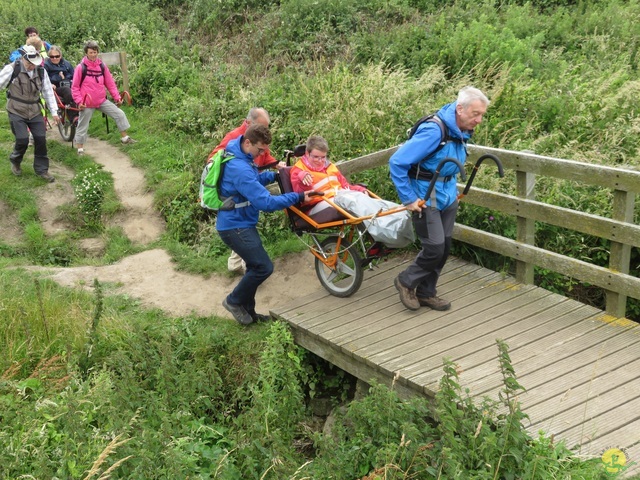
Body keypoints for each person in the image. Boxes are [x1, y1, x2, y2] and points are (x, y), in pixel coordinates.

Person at [389, 86, 489, 311]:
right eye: (476, 114)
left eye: (482, 115)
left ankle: (426, 292)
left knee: (444, 247)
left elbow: (446, 163)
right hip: (425, 197)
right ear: (460, 109)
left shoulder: (461, 130)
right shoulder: (434, 131)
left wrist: (452, 189)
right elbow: (397, 163)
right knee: (434, 247)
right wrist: (409, 199)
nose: (479, 120)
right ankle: (406, 281)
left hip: (447, 195)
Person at [216, 124, 315, 325]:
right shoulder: (239, 167)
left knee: (254, 266)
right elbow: (265, 203)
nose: (262, 154)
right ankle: (233, 301)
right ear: (247, 142)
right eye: (260, 150)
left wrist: (276, 174)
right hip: (235, 226)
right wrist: (298, 197)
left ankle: (250, 313)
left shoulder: (241, 155)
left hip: (240, 221)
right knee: (263, 267)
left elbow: (253, 180)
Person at [291, 135, 414, 249]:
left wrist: (359, 189)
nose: (320, 161)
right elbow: (300, 196)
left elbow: (345, 186)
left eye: (323, 157)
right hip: (315, 204)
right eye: (316, 157)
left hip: (338, 196)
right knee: (349, 200)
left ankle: (399, 216)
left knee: (362, 197)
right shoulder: (299, 170)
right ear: (307, 153)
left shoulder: (330, 166)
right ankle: (385, 232)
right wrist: (301, 179)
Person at [208, 107, 285, 273]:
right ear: (249, 123)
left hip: (250, 182)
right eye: (262, 126)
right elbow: (214, 159)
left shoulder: (256, 136)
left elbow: (265, 155)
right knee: (243, 226)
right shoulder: (235, 137)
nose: (265, 130)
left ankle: (235, 264)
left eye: (267, 126)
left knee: (244, 225)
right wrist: (237, 176)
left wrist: (275, 164)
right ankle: (249, 268)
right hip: (240, 188)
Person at [0, 45, 59, 182]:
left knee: (40, 138)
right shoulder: (12, 69)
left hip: (34, 110)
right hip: (16, 109)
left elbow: (48, 92)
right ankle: (15, 160)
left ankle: (42, 170)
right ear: (23, 59)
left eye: (34, 63)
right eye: (29, 63)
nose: (32, 66)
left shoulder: (42, 72)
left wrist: (54, 112)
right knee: (22, 139)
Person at [71, 40, 135, 156]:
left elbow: (110, 83)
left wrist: (116, 97)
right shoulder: (81, 68)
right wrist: (79, 102)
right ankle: (80, 149)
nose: (93, 55)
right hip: (87, 103)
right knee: (82, 125)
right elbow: (75, 87)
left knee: (119, 114)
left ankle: (125, 138)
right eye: (91, 52)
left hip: (101, 100)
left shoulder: (102, 66)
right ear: (86, 53)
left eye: (95, 52)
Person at [43, 45, 77, 122]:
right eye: (52, 57)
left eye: (57, 56)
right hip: (56, 88)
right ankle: (73, 116)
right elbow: (45, 78)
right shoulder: (46, 65)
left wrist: (65, 77)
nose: (54, 58)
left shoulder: (67, 64)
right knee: (67, 90)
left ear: (60, 56)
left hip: (68, 84)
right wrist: (53, 82)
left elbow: (74, 75)